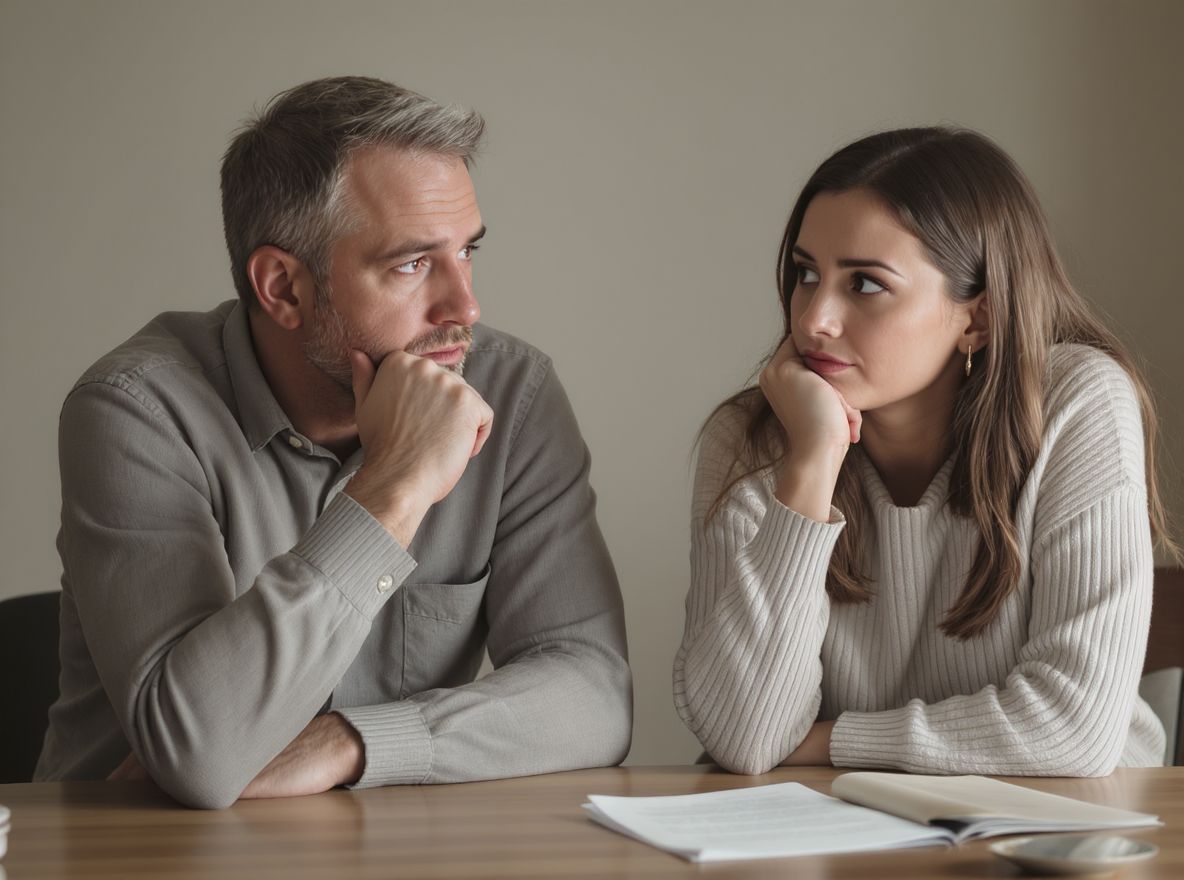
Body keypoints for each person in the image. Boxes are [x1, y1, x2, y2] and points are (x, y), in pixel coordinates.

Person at [35, 76, 631, 808]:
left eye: (466, 252)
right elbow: (200, 756)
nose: (465, 306)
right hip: (135, 851)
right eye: (412, 264)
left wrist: (350, 742)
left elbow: (594, 694)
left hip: (377, 849)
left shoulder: (512, 394)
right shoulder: (137, 413)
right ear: (283, 288)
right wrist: (396, 486)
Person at [673, 127, 1172, 777]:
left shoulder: (1078, 403)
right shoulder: (756, 439)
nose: (814, 318)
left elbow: (1074, 729)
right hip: (838, 829)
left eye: (865, 284)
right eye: (805, 273)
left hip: (1064, 828)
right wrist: (812, 462)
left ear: (978, 319)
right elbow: (744, 737)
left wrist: (831, 742)